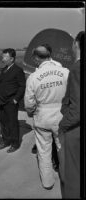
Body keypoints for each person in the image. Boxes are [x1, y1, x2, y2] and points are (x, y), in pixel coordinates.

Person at [24, 44, 69, 190]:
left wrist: (32, 112)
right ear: (50, 54)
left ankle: (47, 183)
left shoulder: (33, 77)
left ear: (36, 58)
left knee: (43, 152)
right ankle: (66, 178)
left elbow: (29, 103)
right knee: (62, 149)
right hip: (61, 116)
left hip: (42, 117)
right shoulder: (65, 72)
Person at [0, 48, 26, 153]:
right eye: (3, 56)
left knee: (12, 123)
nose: (2, 58)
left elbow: (22, 86)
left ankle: (15, 143)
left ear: (11, 58)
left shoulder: (18, 70)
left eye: (4, 56)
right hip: (1, 101)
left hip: (11, 102)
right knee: (3, 122)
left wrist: (16, 99)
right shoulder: (4, 69)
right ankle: (6, 140)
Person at [58, 31, 84, 198]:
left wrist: (63, 126)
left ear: (76, 44)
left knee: (72, 175)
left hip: (75, 129)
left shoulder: (77, 68)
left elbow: (77, 109)